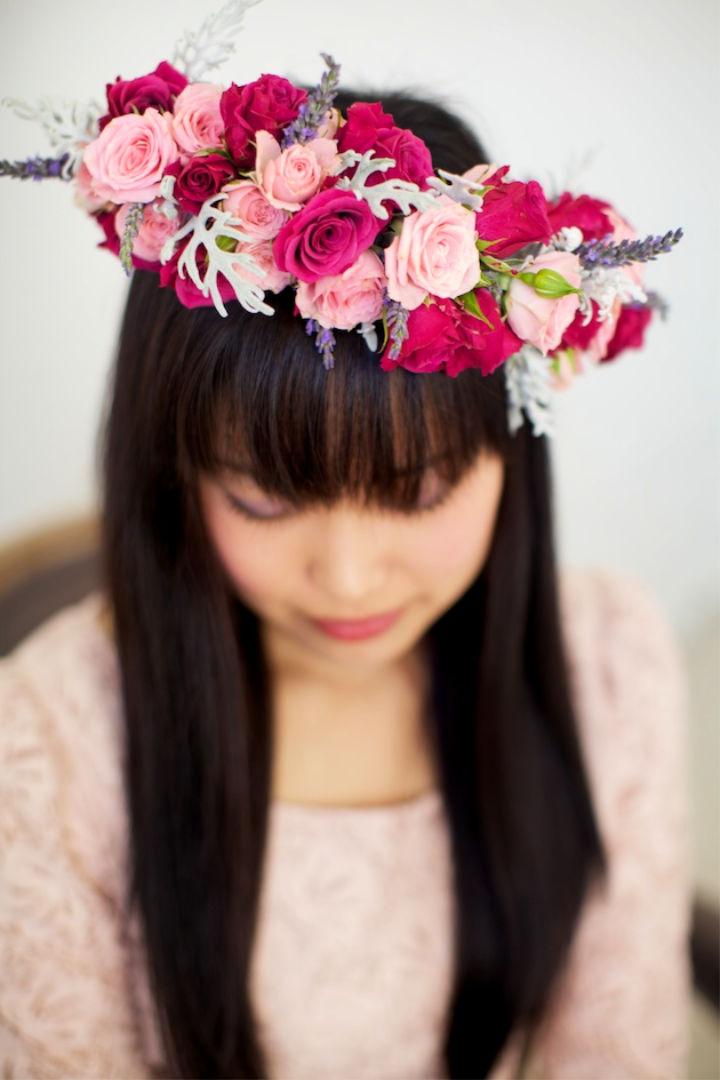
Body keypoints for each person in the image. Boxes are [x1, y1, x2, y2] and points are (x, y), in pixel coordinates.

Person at [0, 71, 692, 1080]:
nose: (352, 579)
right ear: (175, 472)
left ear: (512, 460)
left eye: (418, 495)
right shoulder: (45, 750)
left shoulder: (609, 663)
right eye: (265, 503)